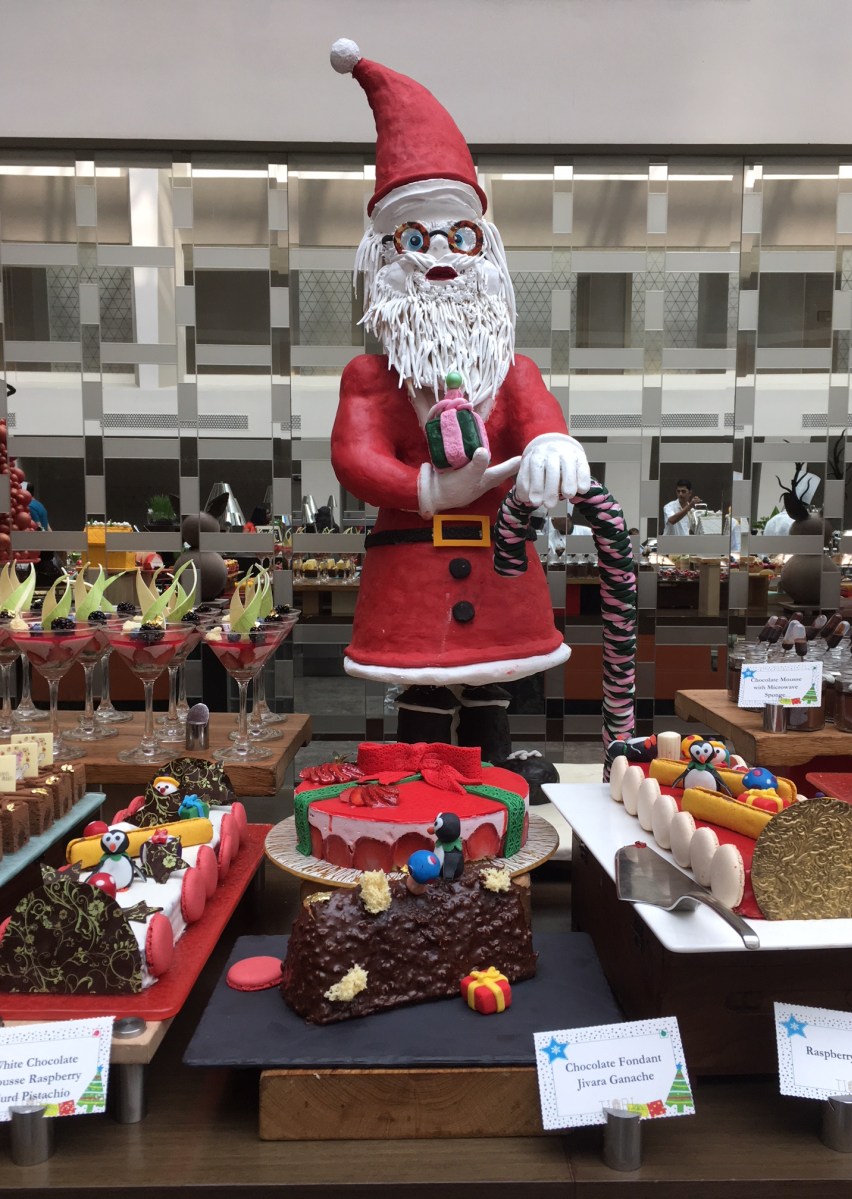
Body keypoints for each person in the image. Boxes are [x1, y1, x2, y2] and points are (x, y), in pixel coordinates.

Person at [328, 40, 593, 749]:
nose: (440, 253)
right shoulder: (370, 378)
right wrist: (429, 489)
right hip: (411, 562)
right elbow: (356, 458)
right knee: (422, 691)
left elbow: (540, 423)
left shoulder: (514, 372)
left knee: (489, 688)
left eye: (461, 235)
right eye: (414, 237)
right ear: (382, 257)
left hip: (499, 567)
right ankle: (423, 781)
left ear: (487, 249)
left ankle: (492, 779)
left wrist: (553, 446)